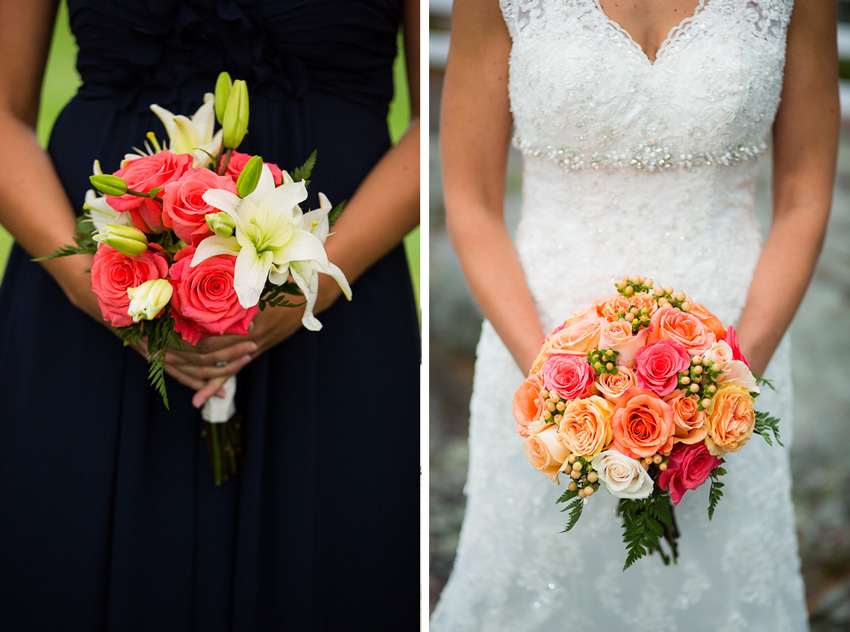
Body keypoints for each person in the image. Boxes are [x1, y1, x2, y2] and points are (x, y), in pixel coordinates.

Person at [0, 0, 419, 629]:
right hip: (90, 290)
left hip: (339, 291)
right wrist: (95, 286)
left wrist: (318, 281)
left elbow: (445, 118)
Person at [431, 0, 837, 630]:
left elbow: (805, 195)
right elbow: (470, 200)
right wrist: (556, 382)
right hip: (538, 351)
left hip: (736, 350)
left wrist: (723, 383)